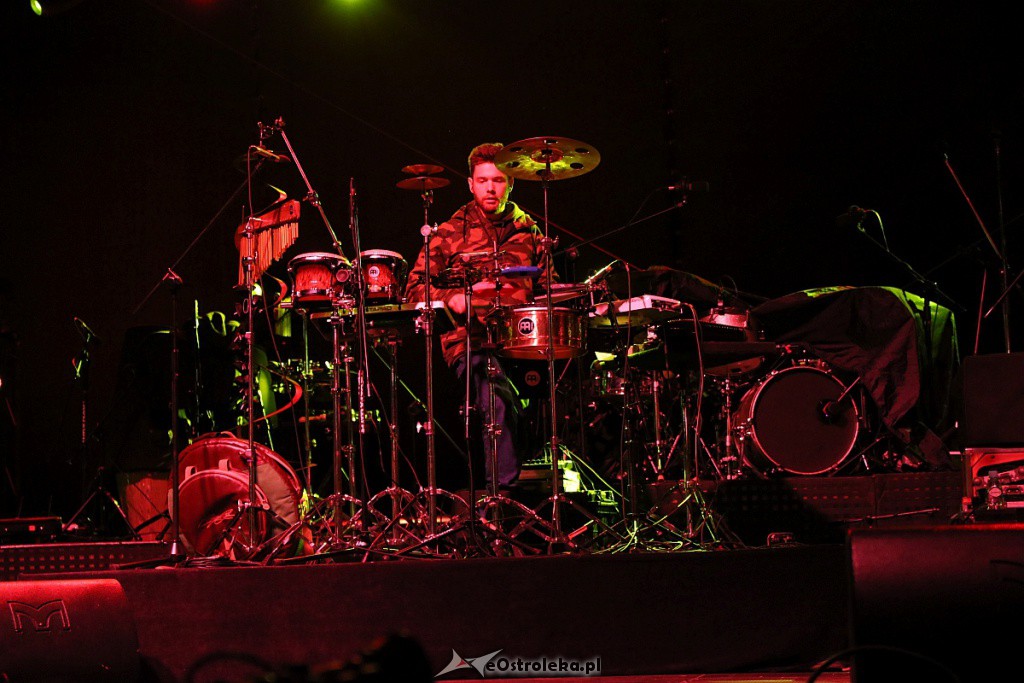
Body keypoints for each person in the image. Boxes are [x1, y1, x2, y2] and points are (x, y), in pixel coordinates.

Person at [404, 142, 556, 493]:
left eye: (498, 180)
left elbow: (550, 289)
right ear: (471, 184)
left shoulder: (530, 230)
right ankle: (501, 499)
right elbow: (413, 288)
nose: (491, 188)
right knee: (495, 398)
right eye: (483, 180)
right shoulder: (448, 232)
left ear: (511, 183)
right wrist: (452, 298)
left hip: (523, 338)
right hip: (470, 339)